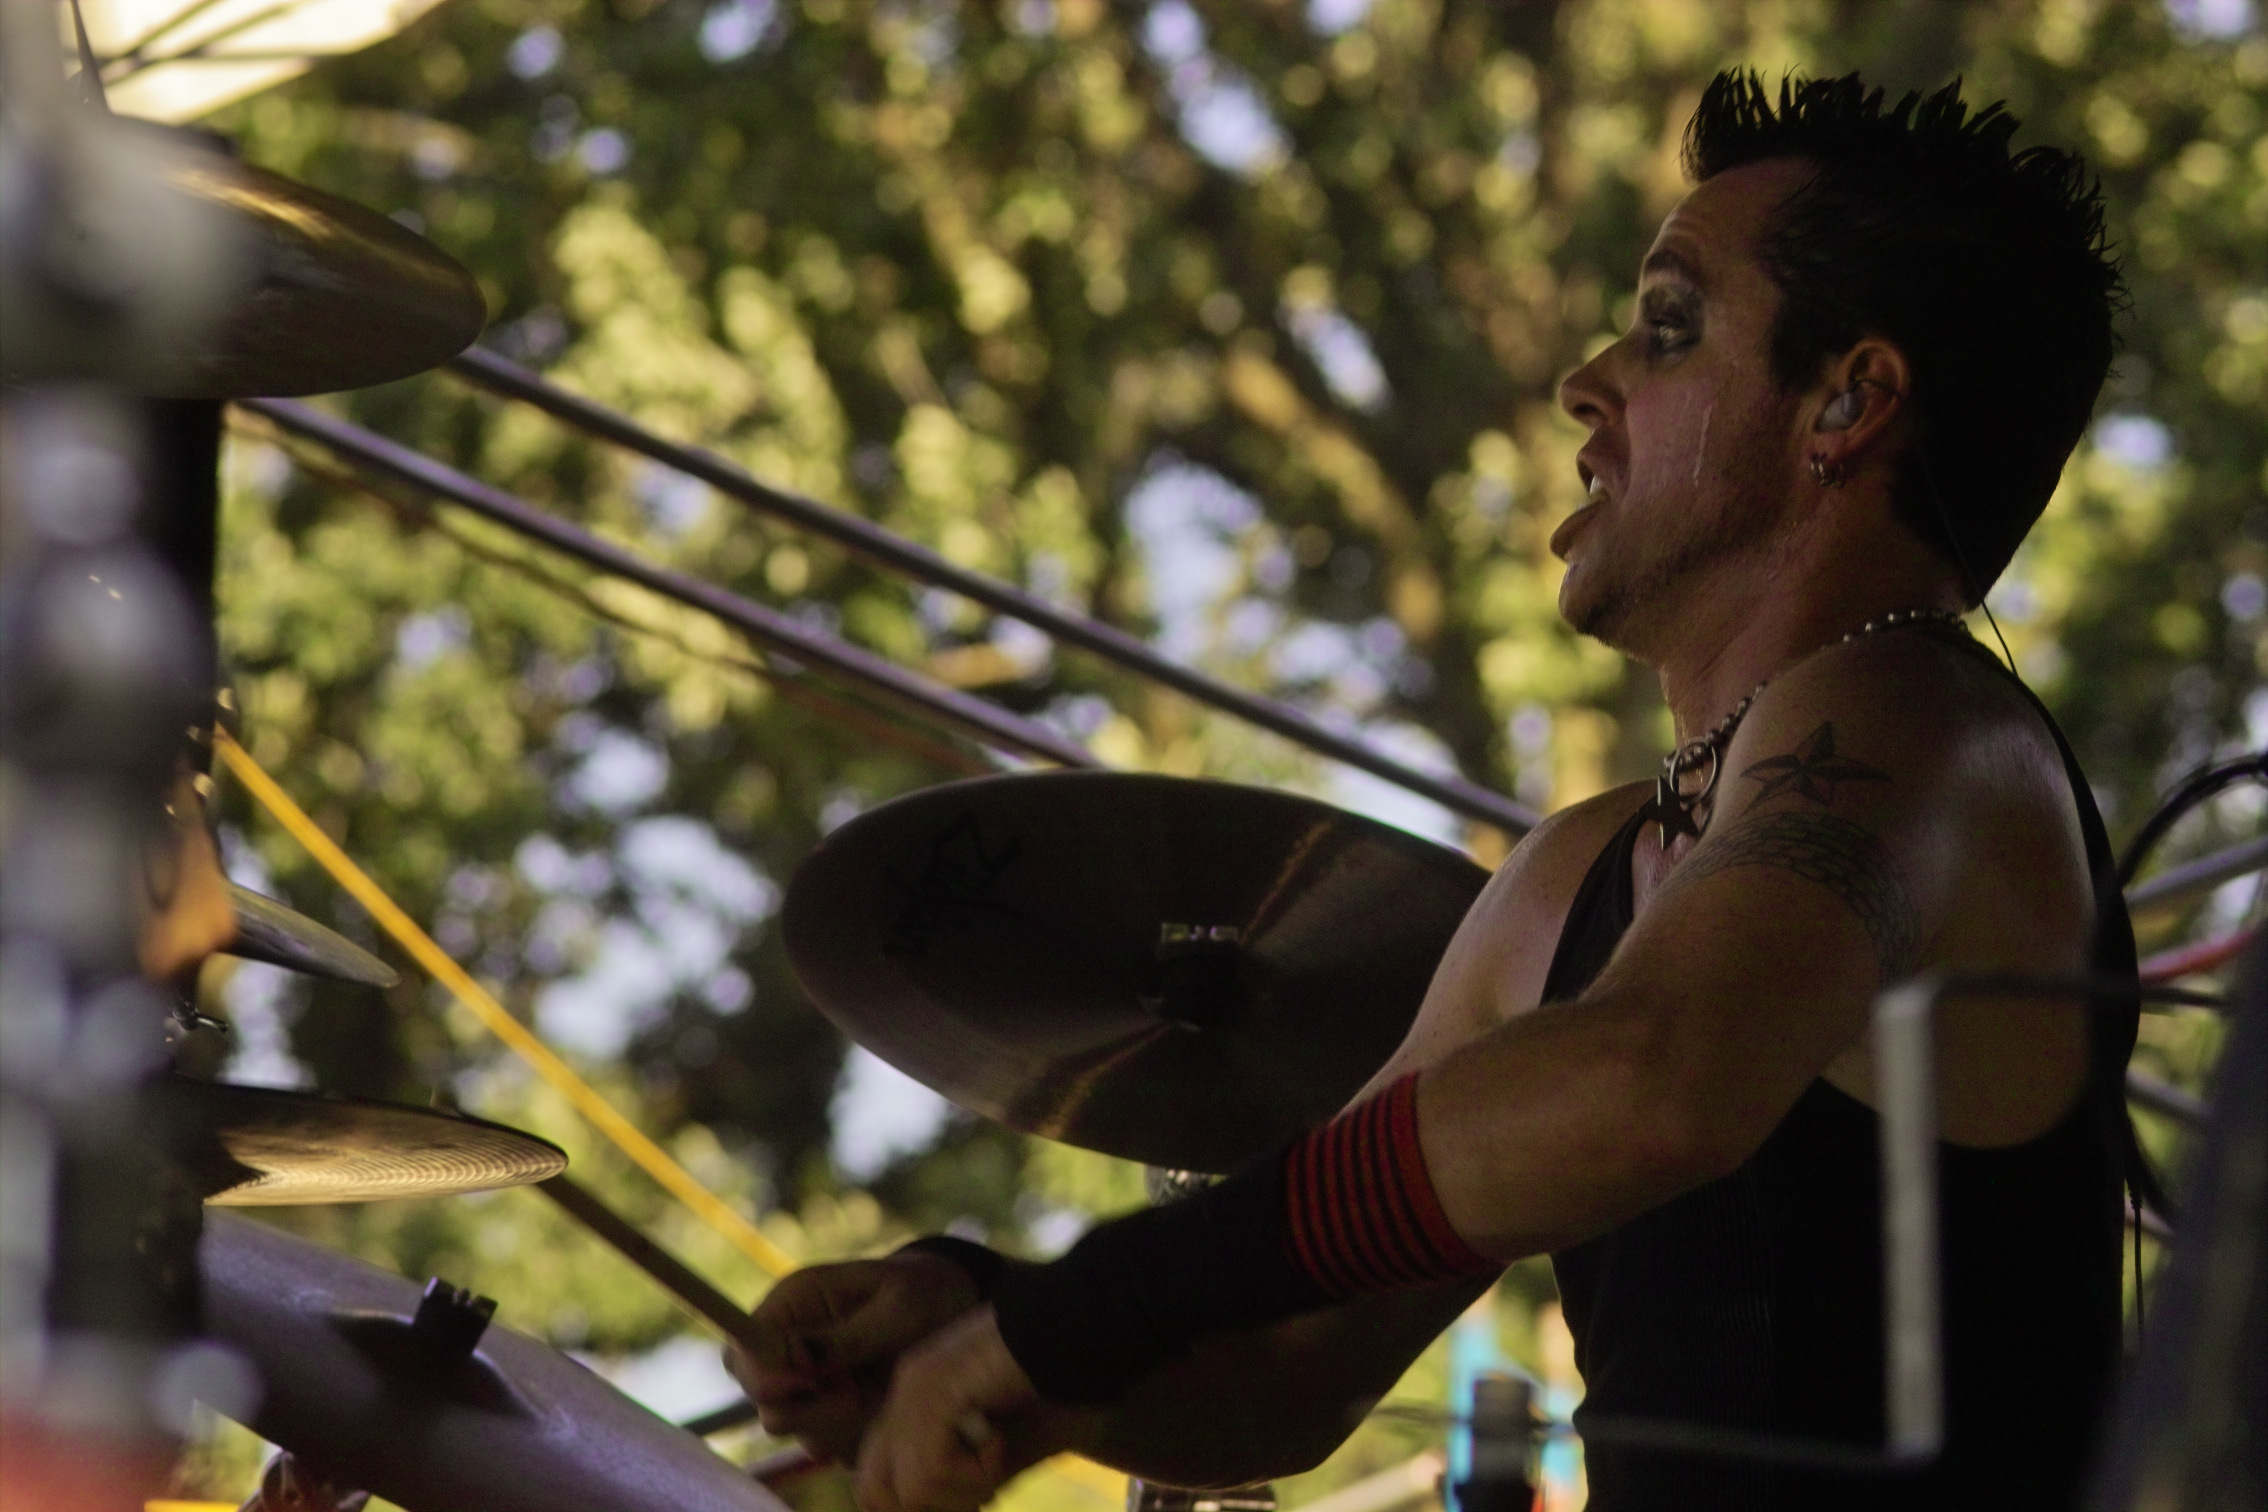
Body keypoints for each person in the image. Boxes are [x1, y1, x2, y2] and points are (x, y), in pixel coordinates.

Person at [728, 70, 2144, 1512]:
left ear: (1848, 401)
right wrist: (975, 1313)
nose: (1589, 380)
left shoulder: (1930, 726)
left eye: (1668, 326)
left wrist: (1084, 1317)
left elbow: (1659, 1078)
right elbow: (1285, 1370)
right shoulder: (1568, 881)